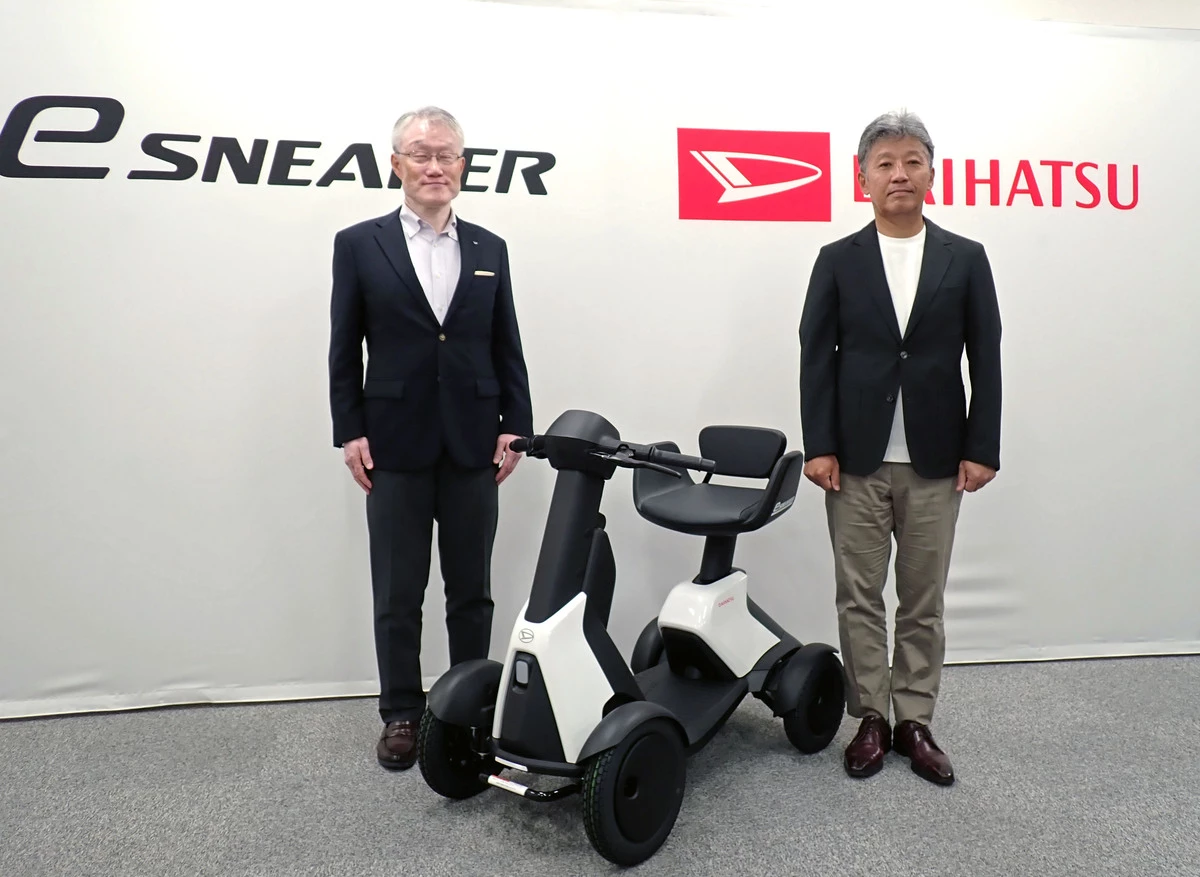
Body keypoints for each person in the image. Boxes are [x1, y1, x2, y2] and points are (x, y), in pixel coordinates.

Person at [797, 110, 1001, 786]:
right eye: (884, 163)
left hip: (938, 461)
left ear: (931, 173)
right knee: (858, 596)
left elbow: (986, 356)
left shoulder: (965, 258)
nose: (900, 174)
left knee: (922, 598)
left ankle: (914, 719)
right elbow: (816, 357)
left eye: (912, 161)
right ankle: (871, 719)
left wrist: (983, 446)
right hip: (854, 462)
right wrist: (819, 445)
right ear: (863, 179)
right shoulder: (837, 260)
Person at [328, 106, 534, 771]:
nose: (435, 166)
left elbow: (506, 343)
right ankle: (401, 713)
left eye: (446, 155)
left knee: (471, 590)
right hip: (393, 443)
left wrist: (516, 425)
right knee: (398, 592)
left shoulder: (490, 248)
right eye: (421, 154)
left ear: (462, 165)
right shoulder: (359, 244)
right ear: (396, 164)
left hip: (475, 443)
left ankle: (469, 707)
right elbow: (343, 348)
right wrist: (350, 430)